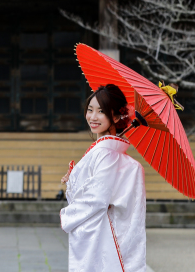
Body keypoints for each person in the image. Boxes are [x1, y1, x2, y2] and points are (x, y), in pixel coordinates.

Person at [60, 84, 147, 272]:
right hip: (104, 236)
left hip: (101, 237)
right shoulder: (111, 152)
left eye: (101, 111)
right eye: (90, 110)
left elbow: (97, 199)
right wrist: (74, 179)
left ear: (115, 117)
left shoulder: (105, 153)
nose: (93, 117)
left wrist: (67, 214)